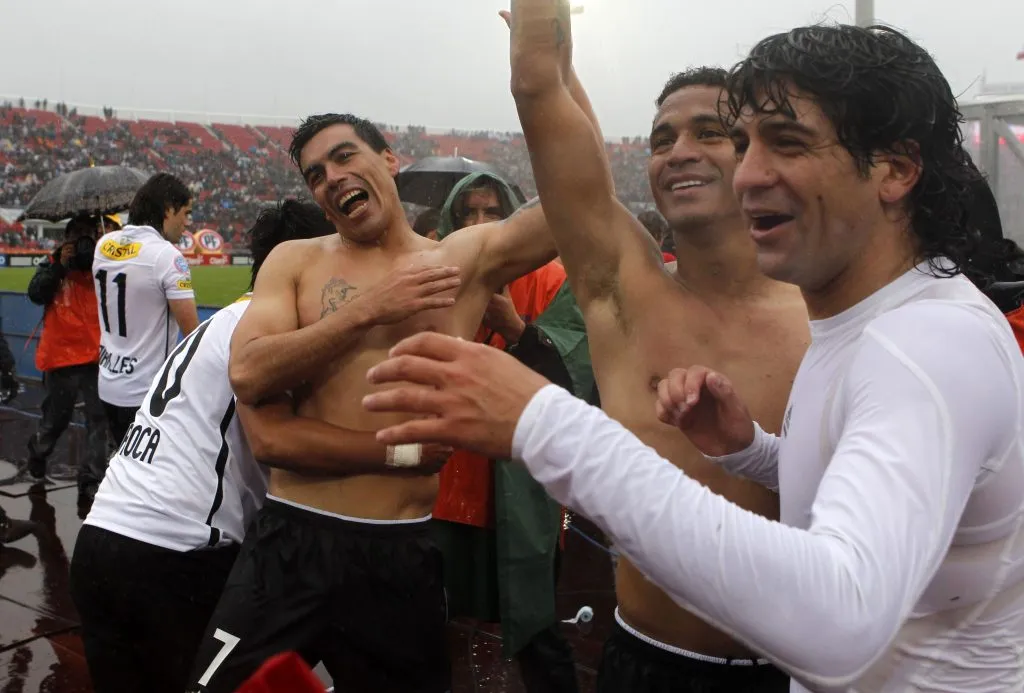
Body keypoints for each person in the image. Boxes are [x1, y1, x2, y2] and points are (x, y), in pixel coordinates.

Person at [363, 21, 1024, 693]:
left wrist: (542, 420)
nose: (750, 171)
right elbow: (848, 478)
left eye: (775, 142)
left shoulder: (921, 344)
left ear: (896, 168)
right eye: (746, 142)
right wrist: (752, 451)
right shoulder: (858, 324)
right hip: (654, 656)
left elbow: (838, 615)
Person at [438, 4, 807, 691]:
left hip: (799, 667)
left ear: (760, 154)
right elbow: (539, 87)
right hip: (647, 660)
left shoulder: (829, 312)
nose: (679, 150)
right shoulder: (623, 296)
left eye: (711, 132)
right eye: (662, 137)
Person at [189, 106, 582, 693]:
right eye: (316, 174)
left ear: (389, 160)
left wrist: (544, 77)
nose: (332, 178)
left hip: (402, 551)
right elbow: (247, 372)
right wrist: (371, 308)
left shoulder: (461, 261)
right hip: (292, 541)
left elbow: (576, 200)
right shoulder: (294, 261)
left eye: (345, 156)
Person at [70, 200, 449, 693]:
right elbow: (273, 441)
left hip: (104, 534)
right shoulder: (275, 338)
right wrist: (404, 454)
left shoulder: (224, 320)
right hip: (175, 552)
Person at [433, 170, 592, 692]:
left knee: (535, 627)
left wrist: (517, 327)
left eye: (492, 213)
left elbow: (580, 376)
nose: (479, 225)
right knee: (434, 622)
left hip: (524, 491)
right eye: (467, 214)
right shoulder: (438, 273)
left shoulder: (552, 277)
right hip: (448, 489)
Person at [92, 172, 200, 446]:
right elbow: (193, 335)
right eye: (185, 213)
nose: (187, 223)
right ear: (167, 209)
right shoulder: (166, 256)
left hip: (108, 385)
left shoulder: (104, 245)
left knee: (120, 464)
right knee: (152, 479)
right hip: (146, 394)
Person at [20, 215, 108, 503]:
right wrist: (59, 265)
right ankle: (38, 452)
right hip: (61, 355)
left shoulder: (104, 263)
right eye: (78, 237)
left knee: (99, 420)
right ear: (66, 239)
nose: (84, 243)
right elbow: (35, 293)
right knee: (56, 419)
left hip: (95, 355)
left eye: (89, 237)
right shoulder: (53, 262)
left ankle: (91, 480)